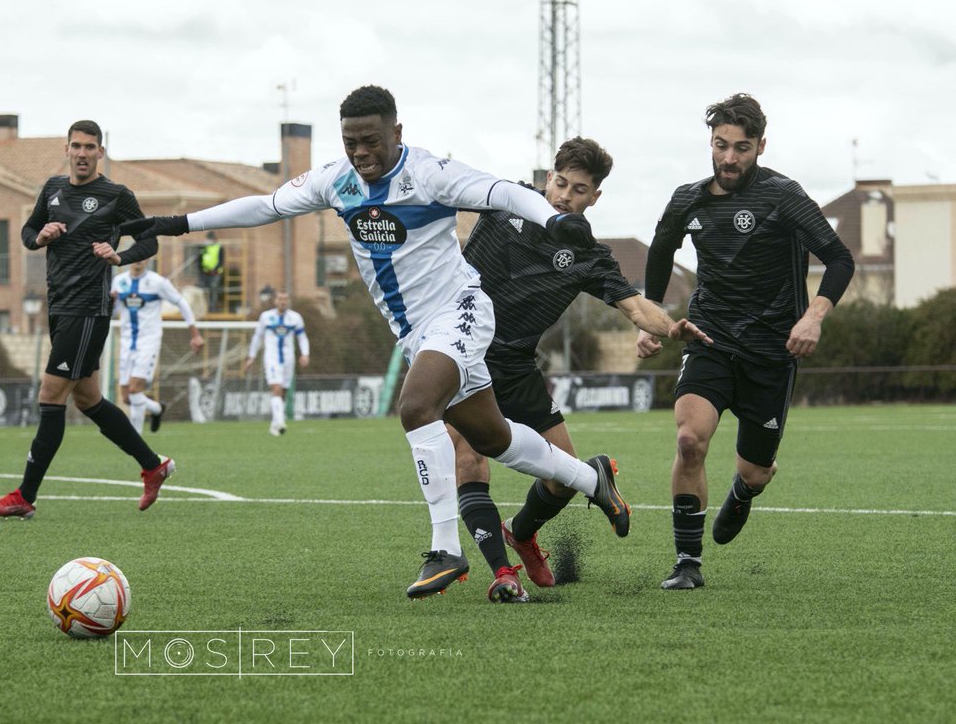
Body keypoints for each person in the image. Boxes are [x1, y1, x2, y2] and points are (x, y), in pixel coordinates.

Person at [119, 85, 628, 600]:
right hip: (416, 334)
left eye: (371, 141)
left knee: (415, 406)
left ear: (397, 134)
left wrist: (555, 218)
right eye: (350, 142)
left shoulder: (428, 174)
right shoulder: (337, 182)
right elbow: (266, 206)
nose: (360, 153)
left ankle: (446, 548)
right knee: (494, 438)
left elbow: (501, 192)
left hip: (462, 310)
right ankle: (592, 481)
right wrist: (175, 224)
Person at [449, 137, 711, 600]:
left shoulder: (588, 255)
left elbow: (635, 307)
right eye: (561, 182)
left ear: (595, 197)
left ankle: (522, 533)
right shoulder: (502, 200)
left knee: (564, 474)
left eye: (579, 189)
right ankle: (502, 573)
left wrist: (670, 328)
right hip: (460, 352)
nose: (564, 196)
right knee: (468, 456)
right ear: (548, 177)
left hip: (514, 366)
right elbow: (442, 191)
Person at [638, 94, 854, 590]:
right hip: (709, 336)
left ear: (760, 146)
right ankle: (687, 564)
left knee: (756, 471)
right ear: (710, 143)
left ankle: (744, 489)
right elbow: (660, 253)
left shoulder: (784, 196)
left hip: (772, 352)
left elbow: (839, 258)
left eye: (741, 147)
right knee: (689, 439)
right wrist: (650, 321)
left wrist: (814, 317)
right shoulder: (687, 198)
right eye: (720, 146)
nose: (729, 158)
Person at [0, 121, 176, 519]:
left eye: (90, 147)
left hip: (88, 310)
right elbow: (28, 230)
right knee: (87, 399)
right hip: (60, 307)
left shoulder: (116, 196)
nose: (82, 153)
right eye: (76, 146)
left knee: (50, 396)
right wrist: (40, 237)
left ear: (100, 152)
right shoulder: (53, 188)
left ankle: (25, 496)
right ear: (66, 149)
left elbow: (150, 239)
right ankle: (153, 465)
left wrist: (120, 256)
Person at [111, 257, 204, 433]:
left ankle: (135, 441)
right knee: (127, 397)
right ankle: (157, 409)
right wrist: (112, 302)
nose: (139, 260)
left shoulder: (158, 282)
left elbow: (181, 302)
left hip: (148, 341)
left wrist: (195, 334)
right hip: (126, 342)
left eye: (143, 256)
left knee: (135, 388)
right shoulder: (119, 281)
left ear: (148, 260)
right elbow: (114, 311)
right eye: (136, 255)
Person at [243, 291, 310, 436]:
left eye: (285, 299)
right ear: (275, 301)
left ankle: (275, 424)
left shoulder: (295, 318)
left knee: (283, 392)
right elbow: (257, 337)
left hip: (288, 359)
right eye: (280, 299)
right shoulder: (266, 317)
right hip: (272, 358)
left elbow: (302, 337)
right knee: (277, 388)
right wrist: (251, 356)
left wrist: (305, 353)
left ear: (288, 301)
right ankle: (280, 422)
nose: (282, 302)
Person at [198, 231, 225, 313]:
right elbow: (200, 259)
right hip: (205, 272)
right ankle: (204, 309)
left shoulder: (219, 247)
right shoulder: (205, 247)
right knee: (204, 291)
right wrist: (202, 269)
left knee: (213, 291)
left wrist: (215, 269)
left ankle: (212, 310)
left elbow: (221, 260)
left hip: (215, 273)